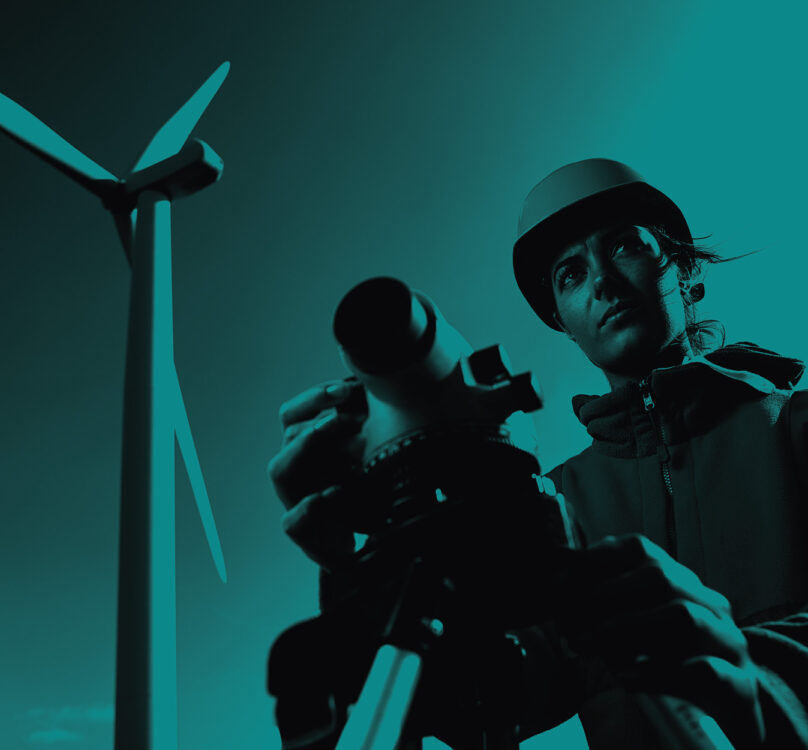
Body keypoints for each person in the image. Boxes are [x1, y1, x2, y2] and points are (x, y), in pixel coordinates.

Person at [268, 158, 808, 748]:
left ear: (682, 268)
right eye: (570, 275)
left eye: (625, 245)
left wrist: (750, 674)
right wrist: (355, 573)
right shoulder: (554, 502)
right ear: (563, 322)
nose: (601, 281)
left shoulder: (795, 427)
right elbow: (494, 697)